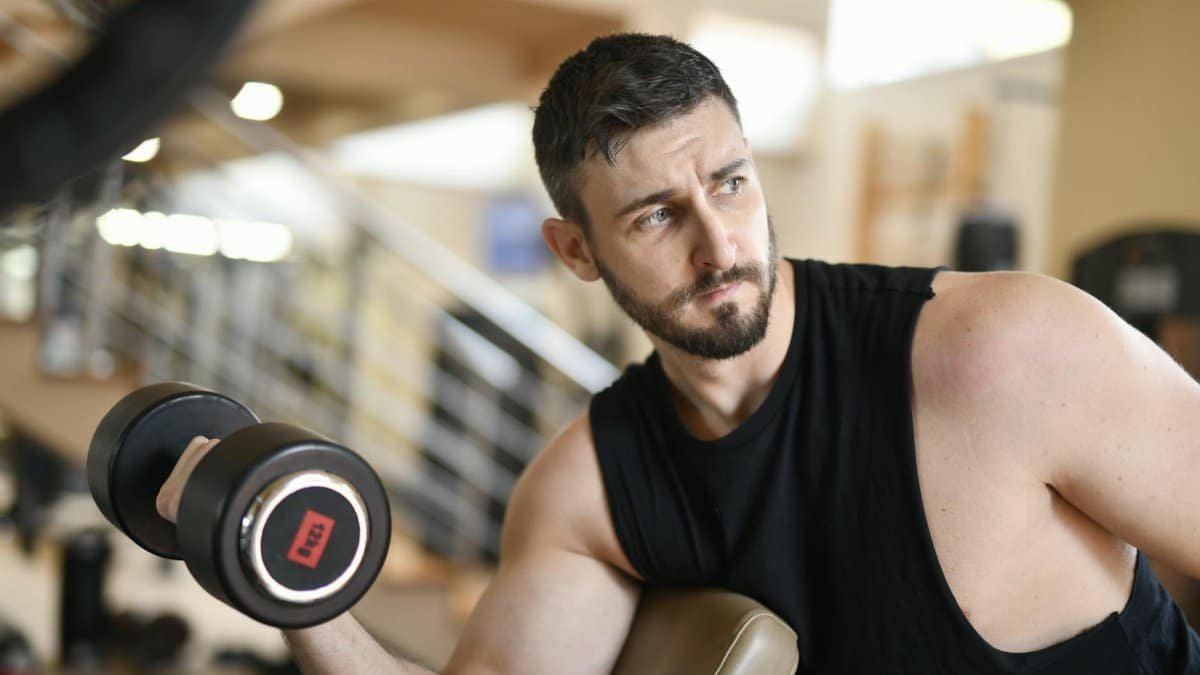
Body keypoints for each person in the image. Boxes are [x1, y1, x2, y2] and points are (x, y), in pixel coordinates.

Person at [156, 33, 1200, 674]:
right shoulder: (592, 489)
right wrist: (271, 568)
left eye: (731, 184)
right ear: (576, 250)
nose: (719, 246)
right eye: (656, 215)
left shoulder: (1002, 353)